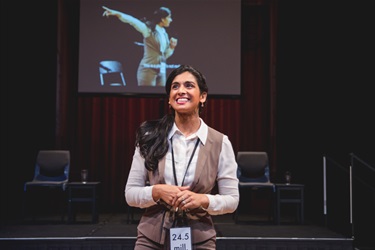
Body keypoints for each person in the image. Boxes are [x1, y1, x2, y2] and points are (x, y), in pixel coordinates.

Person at [125, 65, 239, 249]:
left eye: (189, 85)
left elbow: (232, 200)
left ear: (203, 96)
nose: (181, 91)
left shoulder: (220, 142)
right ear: (169, 99)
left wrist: (203, 200)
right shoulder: (150, 138)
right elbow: (130, 194)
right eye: (175, 86)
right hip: (151, 238)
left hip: (200, 239)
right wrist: (157, 191)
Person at [102, 6, 178, 87]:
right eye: (169, 17)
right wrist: (117, 14)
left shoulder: (164, 33)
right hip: (148, 71)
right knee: (147, 97)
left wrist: (171, 48)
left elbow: (164, 56)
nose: (171, 20)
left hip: (161, 71)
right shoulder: (148, 30)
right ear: (162, 19)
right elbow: (133, 21)